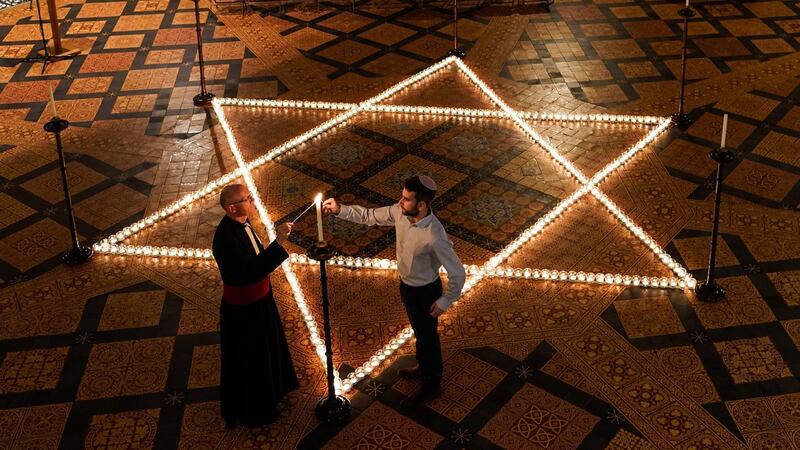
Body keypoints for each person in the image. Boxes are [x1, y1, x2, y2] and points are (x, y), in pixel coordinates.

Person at [323, 175, 466, 405]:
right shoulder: (400, 212)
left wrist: (445, 301)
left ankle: (431, 385)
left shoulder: (434, 235)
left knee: (428, 338)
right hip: (407, 288)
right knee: (421, 333)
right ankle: (423, 365)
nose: (400, 202)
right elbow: (370, 216)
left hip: (426, 292)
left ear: (422, 205)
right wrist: (340, 209)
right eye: (402, 196)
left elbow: (458, 273)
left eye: (407, 199)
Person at [212, 183, 298, 429]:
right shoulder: (225, 239)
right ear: (231, 207)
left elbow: (256, 258)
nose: (252, 201)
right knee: (253, 361)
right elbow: (248, 272)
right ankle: (258, 411)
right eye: (246, 199)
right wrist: (278, 244)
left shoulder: (243, 223)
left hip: (261, 300)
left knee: (268, 349)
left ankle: (275, 390)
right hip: (245, 311)